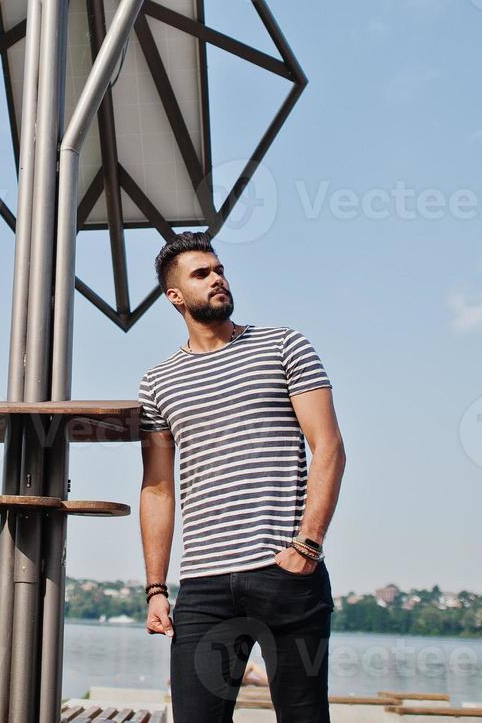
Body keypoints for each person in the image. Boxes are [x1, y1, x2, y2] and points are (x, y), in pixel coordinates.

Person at [138, 232, 346, 723]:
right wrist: (156, 588)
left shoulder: (284, 345)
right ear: (175, 296)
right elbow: (157, 488)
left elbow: (329, 447)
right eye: (201, 274)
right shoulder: (158, 382)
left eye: (219, 269)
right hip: (203, 586)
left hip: (287, 574)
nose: (218, 279)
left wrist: (307, 545)